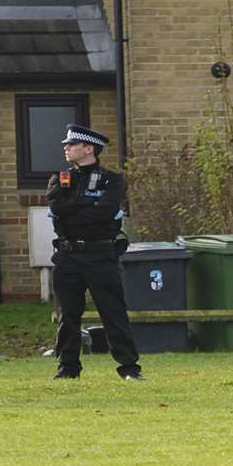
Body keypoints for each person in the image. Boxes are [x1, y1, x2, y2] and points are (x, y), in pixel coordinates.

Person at [46, 124, 143, 381]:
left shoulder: (112, 179)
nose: (66, 148)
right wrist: (88, 207)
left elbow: (105, 212)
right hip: (68, 254)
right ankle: (67, 367)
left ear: (88, 148)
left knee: (112, 311)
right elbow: (58, 212)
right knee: (68, 314)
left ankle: (129, 368)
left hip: (101, 255)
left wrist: (77, 209)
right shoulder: (61, 178)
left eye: (71, 145)